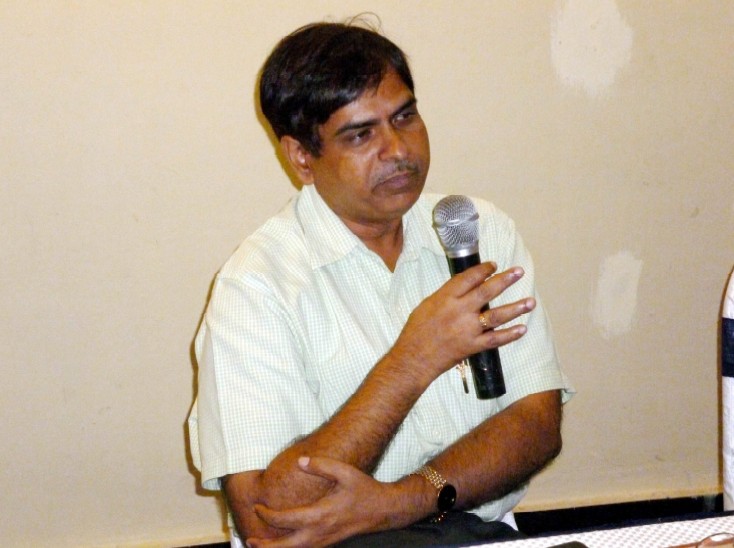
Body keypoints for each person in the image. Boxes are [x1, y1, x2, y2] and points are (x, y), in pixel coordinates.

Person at [187, 18, 574, 548]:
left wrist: (404, 500)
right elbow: (268, 520)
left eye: (405, 117)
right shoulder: (256, 286)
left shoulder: (478, 231)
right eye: (360, 134)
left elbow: (536, 423)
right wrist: (413, 361)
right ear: (302, 157)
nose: (398, 150)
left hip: (476, 533)